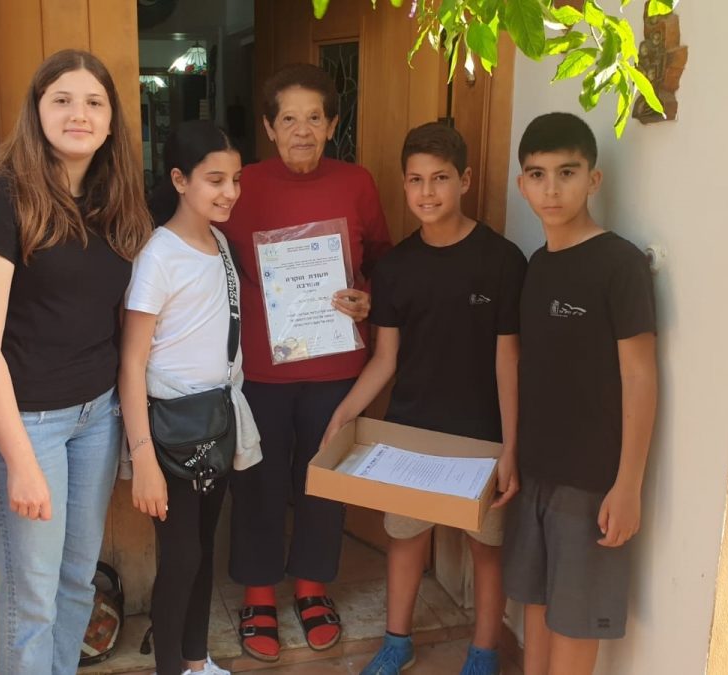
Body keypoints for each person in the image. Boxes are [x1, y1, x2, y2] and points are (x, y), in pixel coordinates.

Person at [0, 50, 150, 674]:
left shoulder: (115, 201)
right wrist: (19, 461)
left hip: (95, 415)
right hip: (23, 422)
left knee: (76, 583)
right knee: (30, 599)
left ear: (111, 121)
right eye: (61, 100)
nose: (78, 114)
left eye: (93, 102)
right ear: (36, 112)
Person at [322, 122, 526, 675]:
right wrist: (346, 412)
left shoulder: (503, 261)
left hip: (483, 436)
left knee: (487, 547)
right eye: (415, 180)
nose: (427, 192)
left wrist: (510, 446)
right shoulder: (395, 268)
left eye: (440, 178)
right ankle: (397, 642)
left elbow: (508, 360)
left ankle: (484, 652)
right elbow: (384, 359)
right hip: (410, 431)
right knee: (405, 538)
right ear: (404, 184)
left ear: (465, 180)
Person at [220, 62, 392, 660]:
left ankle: (313, 587)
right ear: (269, 127)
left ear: (332, 125)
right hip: (260, 371)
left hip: (336, 368)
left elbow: (382, 258)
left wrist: (369, 296)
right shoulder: (242, 185)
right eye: (288, 119)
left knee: (323, 479)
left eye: (314, 118)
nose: (301, 131)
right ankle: (259, 592)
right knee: (258, 481)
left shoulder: (357, 182)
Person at [502, 112, 658, 675]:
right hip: (536, 472)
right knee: (536, 608)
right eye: (537, 175)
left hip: (592, 482)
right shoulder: (537, 265)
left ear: (593, 179)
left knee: (575, 623)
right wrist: (513, 454)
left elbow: (640, 376)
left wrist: (629, 484)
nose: (551, 189)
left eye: (566, 173)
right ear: (521, 184)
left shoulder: (620, 264)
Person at [119, 120, 262, 675]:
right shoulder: (159, 255)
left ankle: (197, 664)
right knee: (180, 560)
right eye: (215, 180)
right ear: (180, 180)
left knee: (202, 551)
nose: (230, 192)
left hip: (216, 421)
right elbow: (132, 362)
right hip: (172, 431)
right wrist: (143, 460)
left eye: (236, 179)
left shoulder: (220, 243)